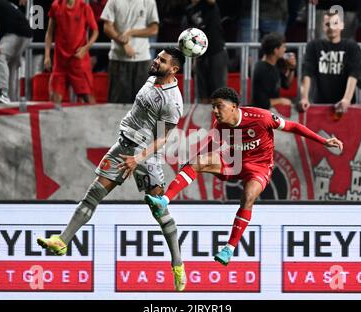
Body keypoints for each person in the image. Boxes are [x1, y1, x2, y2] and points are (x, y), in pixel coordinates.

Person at [37, 47, 188, 291]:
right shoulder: (152, 79)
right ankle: (62, 241)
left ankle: (178, 266)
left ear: (174, 69)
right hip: (123, 146)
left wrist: (138, 159)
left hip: (145, 155)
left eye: (162, 60)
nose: (155, 60)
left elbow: (162, 139)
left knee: (158, 209)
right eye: (157, 57)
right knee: (93, 193)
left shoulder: (173, 102)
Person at [144, 87, 343, 266]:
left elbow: (293, 126)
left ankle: (228, 249)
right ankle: (164, 201)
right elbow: (213, 146)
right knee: (197, 163)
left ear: (234, 106)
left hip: (259, 166)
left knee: (248, 197)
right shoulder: (220, 125)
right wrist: (198, 161)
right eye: (213, 107)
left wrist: (323, 141)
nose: (214, 111)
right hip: (234, 161)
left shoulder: (261, 117)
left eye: (219, 106)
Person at [299, 11, 361, 115]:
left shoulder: (351, 46)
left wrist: (346, 99)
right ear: (323, 27)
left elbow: (353, 74)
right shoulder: (314, 45)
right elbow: (307, 73)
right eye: (327, 24)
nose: (331, 27)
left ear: (342, 25)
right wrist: (304, 98)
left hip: (345, 105)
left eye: (335, 23)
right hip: (320, 104)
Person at [101, 0, 159, 103]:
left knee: (144, 105)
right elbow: (107, 27)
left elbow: (154, 29)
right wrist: (123, 42)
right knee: (117, 105)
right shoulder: (113, 1)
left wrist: (131, 32)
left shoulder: (149, 1)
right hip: (118, 59)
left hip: (143, 60)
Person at [44, 0, 99, 104]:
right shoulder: (56, 6)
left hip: (78, 62)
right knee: (54, 100)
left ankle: (96, 120)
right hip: (60, 63)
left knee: (88, 98)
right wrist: (47, 56)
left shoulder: (84, 7)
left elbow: (95, 31)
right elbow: (49, 33)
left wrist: (85, 48)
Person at [187, 0, 228, 103]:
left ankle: (220, 118)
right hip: (200, 55)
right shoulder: (189, 10)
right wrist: (194, 58)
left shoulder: (209, 4)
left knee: (219, 95)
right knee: (202, 95)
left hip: (216, 52)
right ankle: (202, 118)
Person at [251, 32, 296, 109]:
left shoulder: (274, 64)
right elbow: (261, 103)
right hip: (262, 114)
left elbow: (286, 84)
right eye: (283, 47)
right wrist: (281, 101)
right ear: (276, 50)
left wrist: (291, 68)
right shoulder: (262, 70)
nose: (285, 50)